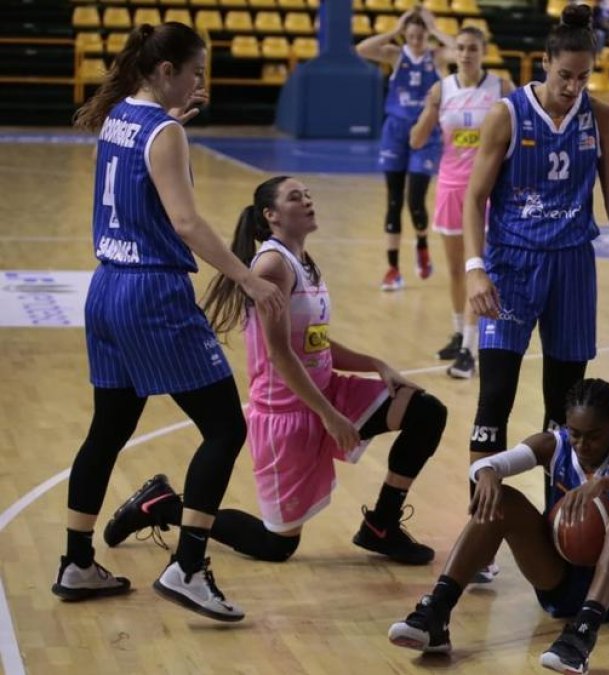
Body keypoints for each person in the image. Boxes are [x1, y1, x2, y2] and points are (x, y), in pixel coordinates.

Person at [52, 21, 286, 622]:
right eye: (194, 70)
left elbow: (146, 168)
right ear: (165, 72)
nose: (199, 80)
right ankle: (187, 566)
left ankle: (77, 560)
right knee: (225, 428)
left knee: (108, 428)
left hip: (106, 287)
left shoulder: (120, 117)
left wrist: (176, 124)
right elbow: (186, 223)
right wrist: (247, 277)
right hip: (153, 293)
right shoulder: (163, 133)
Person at [104, 176, 447, 566]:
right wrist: (330, 417)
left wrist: (378, 366)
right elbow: (281, 355)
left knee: (425, 411)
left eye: (308, 195)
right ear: (271, 215)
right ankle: (163, 506)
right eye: (295, 197)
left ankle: (381, 526)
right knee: (276, 545)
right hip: (286, 410)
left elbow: (314, 344)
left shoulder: (304, 262)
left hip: (325, 391)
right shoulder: (271, 266)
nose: (307, 201)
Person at [462, 5, 609, 581]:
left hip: (573, 266)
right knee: (492, 403)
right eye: (565, 74)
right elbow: (474, 197)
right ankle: (481, 538)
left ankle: (558, 529)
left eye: (583, 76)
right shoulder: (506, 115)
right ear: (543, 65)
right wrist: (475, 269)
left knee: (564, 414)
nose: (573, 86)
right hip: (512, 266)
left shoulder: (603, 118)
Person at [387, 379, 609, 675]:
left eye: (594, 436)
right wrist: (486, 474)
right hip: (564, 579)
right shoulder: (554, 444)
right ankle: (436, 615)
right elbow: (488, 466)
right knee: (503, 500)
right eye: (576, 434)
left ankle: (581, 636)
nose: (583, 445)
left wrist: (603, 483)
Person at [410, 27, 514, 379]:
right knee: (456, 269)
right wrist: (430, 108)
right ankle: (459, 331)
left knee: (477, 267)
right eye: (461, 48)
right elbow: (416, 139)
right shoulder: (442, 89)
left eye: (473, 48)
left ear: (484, 51)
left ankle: (471, 348)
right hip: (451, 187)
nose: (467, 54)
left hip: (486, 191)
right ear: (454, 52)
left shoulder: (501, 88)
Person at [356, 8, 455, 291]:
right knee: (393, 201)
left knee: (415, 200)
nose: (414, 40)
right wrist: (394, 31)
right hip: (395, 133)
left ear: (425, 34)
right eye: (409, 35)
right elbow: (362, 49)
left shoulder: (436, 57)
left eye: (418, 35)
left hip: (426, 132)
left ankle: (422, 245)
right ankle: (393, 269)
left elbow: (459, 50)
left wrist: (435, 30)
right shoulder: (396, 55)